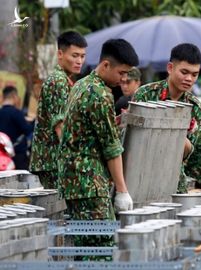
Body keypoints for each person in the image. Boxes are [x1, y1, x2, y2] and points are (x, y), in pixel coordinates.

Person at [57, 39, 138, 258]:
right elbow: (111, 148)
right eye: (121, 73)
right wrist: (122, 191)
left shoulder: (82, 84)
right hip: (89, 184)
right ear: (105, 65)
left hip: (75, 182)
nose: (124, 79)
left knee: (85, 247)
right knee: (100, 248)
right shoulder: (100, 95)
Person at [133, 43, 201, 193]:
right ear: (170, 68)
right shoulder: (145, 95)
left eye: (194, 74)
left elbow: (188, 151)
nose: (189, 79)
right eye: (184, 72)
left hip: (174, 177)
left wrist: (186, 133)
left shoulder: (194, 105)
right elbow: (135, 141)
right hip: (142, 174)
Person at [29, 31, 87, 189]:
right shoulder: (58, 81)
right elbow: (60, 126)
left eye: (82, 56)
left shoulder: (64, 79)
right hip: (55, 161)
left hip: (54, 161)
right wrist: (76, 162)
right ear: (60, 54)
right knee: (60, 211)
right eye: (74, 55)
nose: (79, 61)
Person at [0, 86, 34, 169]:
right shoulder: (16, 113)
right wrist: (34, 122)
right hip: (17, 155)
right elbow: (27, 130)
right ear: (14, 96)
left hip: (2, 155)